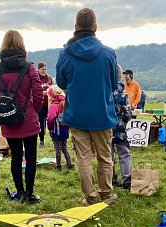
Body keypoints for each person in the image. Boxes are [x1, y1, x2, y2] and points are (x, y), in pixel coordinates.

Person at [56, 7, 118, 206]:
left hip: (77, 115)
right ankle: (106, 195)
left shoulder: (65, 53)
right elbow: (114, 82)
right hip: (102, 114)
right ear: (95, 27)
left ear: (76, 27)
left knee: (83, 158)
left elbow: (62, 83)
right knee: (105, 157)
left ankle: (90, 197)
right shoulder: (108, 53)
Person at [0, 30, 43, 204]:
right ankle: (29, 193)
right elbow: (38, 91)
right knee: (31, 156)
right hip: (28, 118)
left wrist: (5, 106)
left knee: (16, 156)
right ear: (22, 45)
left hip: (9, 119)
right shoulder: (29, 67)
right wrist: (33, 108)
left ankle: (19, 192)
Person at [112, 64, 132, 190]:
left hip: (105, 128)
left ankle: (111, 179)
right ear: (120, 77)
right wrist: (123, 120)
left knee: (107, 156)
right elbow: (128, 113)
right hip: (120, 128)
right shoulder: (123, 95)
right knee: (124, 154)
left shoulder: (103, 92)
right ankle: (127, 180)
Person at [46, 85, 74, 171]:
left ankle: (58, 166)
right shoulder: (65, 102)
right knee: (64, 147)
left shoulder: (54, 105)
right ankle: (69, 163)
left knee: (57, 148)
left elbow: (50, 119)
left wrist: (49, 127)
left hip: (56, 131)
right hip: (65, 130)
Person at [37, 62, 53, 148]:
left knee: (49, 122)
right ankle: (41, 140)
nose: (44, 71)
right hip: (39, 104)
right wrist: (42, 93)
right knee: (40, 123)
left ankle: (52, 140)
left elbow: (53, 88)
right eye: (42, 69)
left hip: (49, 104)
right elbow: (33, 90)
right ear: (38, 69)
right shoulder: (36, 78)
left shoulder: (49, 78)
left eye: (45, 69)